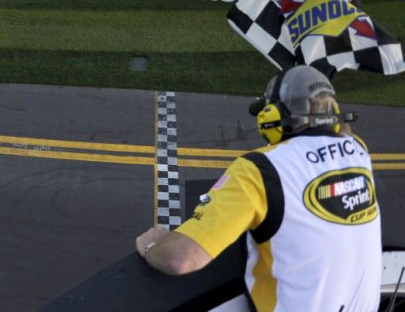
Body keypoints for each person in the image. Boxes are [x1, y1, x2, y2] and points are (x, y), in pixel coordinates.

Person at [136, 65, 382, 312]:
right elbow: (342, 132)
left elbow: (183, 259)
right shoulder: (358, 151)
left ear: (271, 115)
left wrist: (152, 246)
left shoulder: (260, 169)